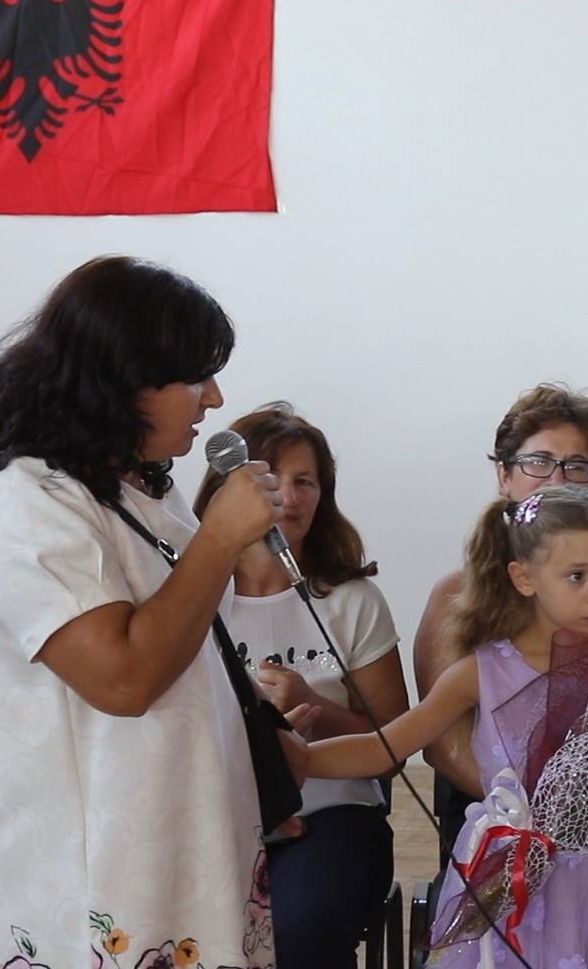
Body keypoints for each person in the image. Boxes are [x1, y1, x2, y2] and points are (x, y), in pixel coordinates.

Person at [0, 256, 299, 969]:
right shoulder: (18, 501)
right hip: (90, 880)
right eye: (195, 377)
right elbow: (124, 679)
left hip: (183, 840)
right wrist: (221, 538)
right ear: (122, 378)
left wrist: (251, 730)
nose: (214, 398)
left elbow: (184, 634)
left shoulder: (136, 485)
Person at [300, 484, 588, 968]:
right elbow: (384, 747)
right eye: (577, 576)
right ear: (524, 578)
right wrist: (301, 759)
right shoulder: (481, 672)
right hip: (513, 877)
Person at [194, 403, 411, 969]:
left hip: (331, 816)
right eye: (269, 479)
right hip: (210, 816)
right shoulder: (187, 596)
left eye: (305, 482)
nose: (287, 498)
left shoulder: (351, 601)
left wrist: (316, 708)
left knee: (296, 933)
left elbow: (393, 749)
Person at [412, 384, 588, 797]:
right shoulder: (453, 592)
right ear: (504, 476)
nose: (558, 479)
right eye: (539, 462)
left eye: (577, 466)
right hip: (500, 803)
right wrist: (531, 809)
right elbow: (441, 744)